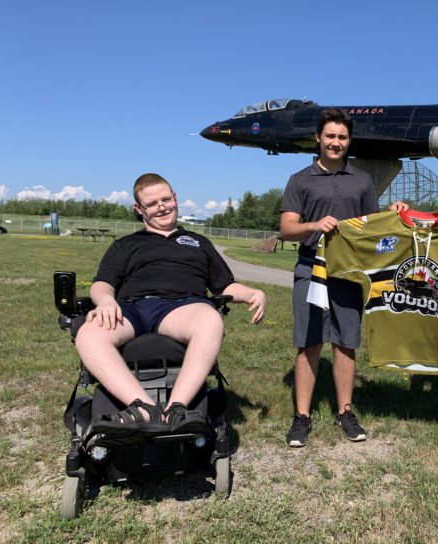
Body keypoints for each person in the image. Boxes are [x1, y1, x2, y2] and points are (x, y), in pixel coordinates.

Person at [75, 173, 266, 435]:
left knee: (210, 319)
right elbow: (102, 283)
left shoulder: (198, 242)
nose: (162, 207)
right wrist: (106, 301)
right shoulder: (126, 244)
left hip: (181, 307)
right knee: (88, 334)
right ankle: (143, 408)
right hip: (131, 308)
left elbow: (223, 286)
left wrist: (254, 293)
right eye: (153, 203)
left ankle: (177, 408)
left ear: (175, 198)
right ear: (139, 209)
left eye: (166, 199)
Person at [280, 108, 407, 447]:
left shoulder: (362, 180)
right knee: (308, 342)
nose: (336, 142)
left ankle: (345, 411)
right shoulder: (300, 180)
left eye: (342, 137)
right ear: (318, 138)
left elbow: (373, 227)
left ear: (349, 141)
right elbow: (286, 228)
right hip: (311, 267)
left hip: (349, 272)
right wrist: (313, 225)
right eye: (330, 136)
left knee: (346, 342)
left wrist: (392, 215)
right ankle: (302, 416)